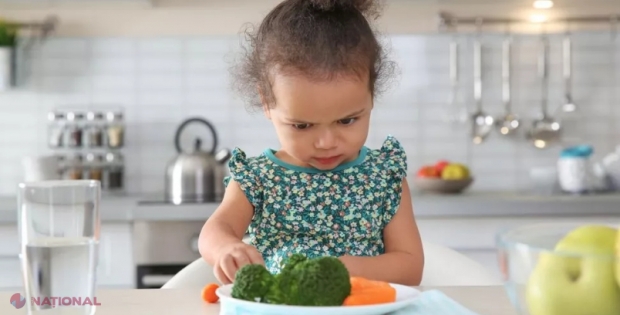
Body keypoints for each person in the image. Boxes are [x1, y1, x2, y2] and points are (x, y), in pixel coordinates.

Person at [198, 0, 424, 286]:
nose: (326, 142)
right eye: (302, 126)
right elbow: (215, 230)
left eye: (347, 121)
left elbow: (410, 266)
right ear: (267, 102)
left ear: (371, 95)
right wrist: (226, 248)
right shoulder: (258, 179)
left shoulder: (384, 178)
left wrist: (341, 269)